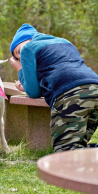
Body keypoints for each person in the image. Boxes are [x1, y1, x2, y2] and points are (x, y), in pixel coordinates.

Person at [9, 23, 98, 153]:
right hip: (94, 86)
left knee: (65, 153)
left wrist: (20, 69)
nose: (20, 57)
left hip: (71, 93)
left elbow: (33, 92)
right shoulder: (64, 42)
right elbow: (57, 71)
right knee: (77, 149)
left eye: (18, 52)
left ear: (26, 40)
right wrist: (26, 87)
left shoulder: (27, 48)